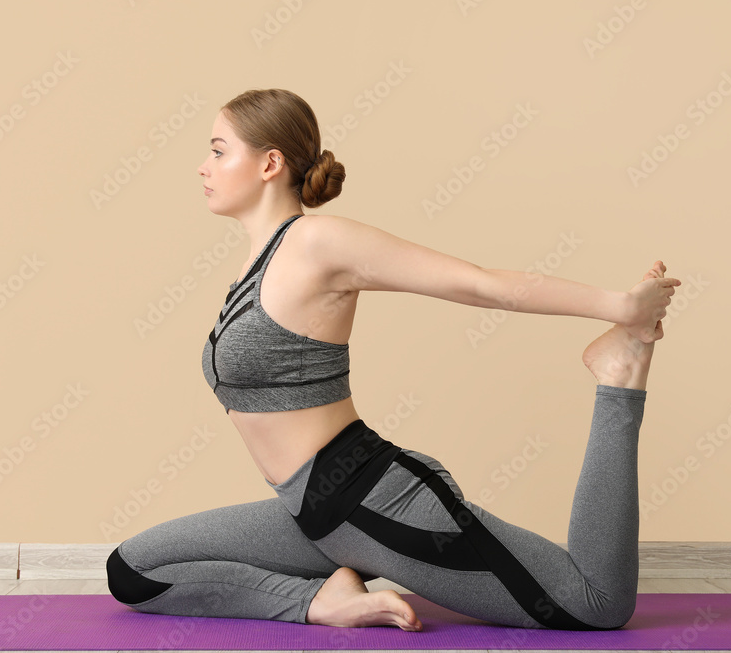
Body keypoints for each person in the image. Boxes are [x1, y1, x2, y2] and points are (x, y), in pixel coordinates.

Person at [105, 88, 681, 632]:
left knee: (596, 604)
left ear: (269, 163)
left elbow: (476, 284)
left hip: (376, 502)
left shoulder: (317, 244)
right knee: (134, 570)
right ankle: (323, 601)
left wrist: (620, 306)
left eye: (217, 151)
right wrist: (308, 599)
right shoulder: (252, 266)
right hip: (309, 513)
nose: (203, 167)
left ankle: (620, 372)